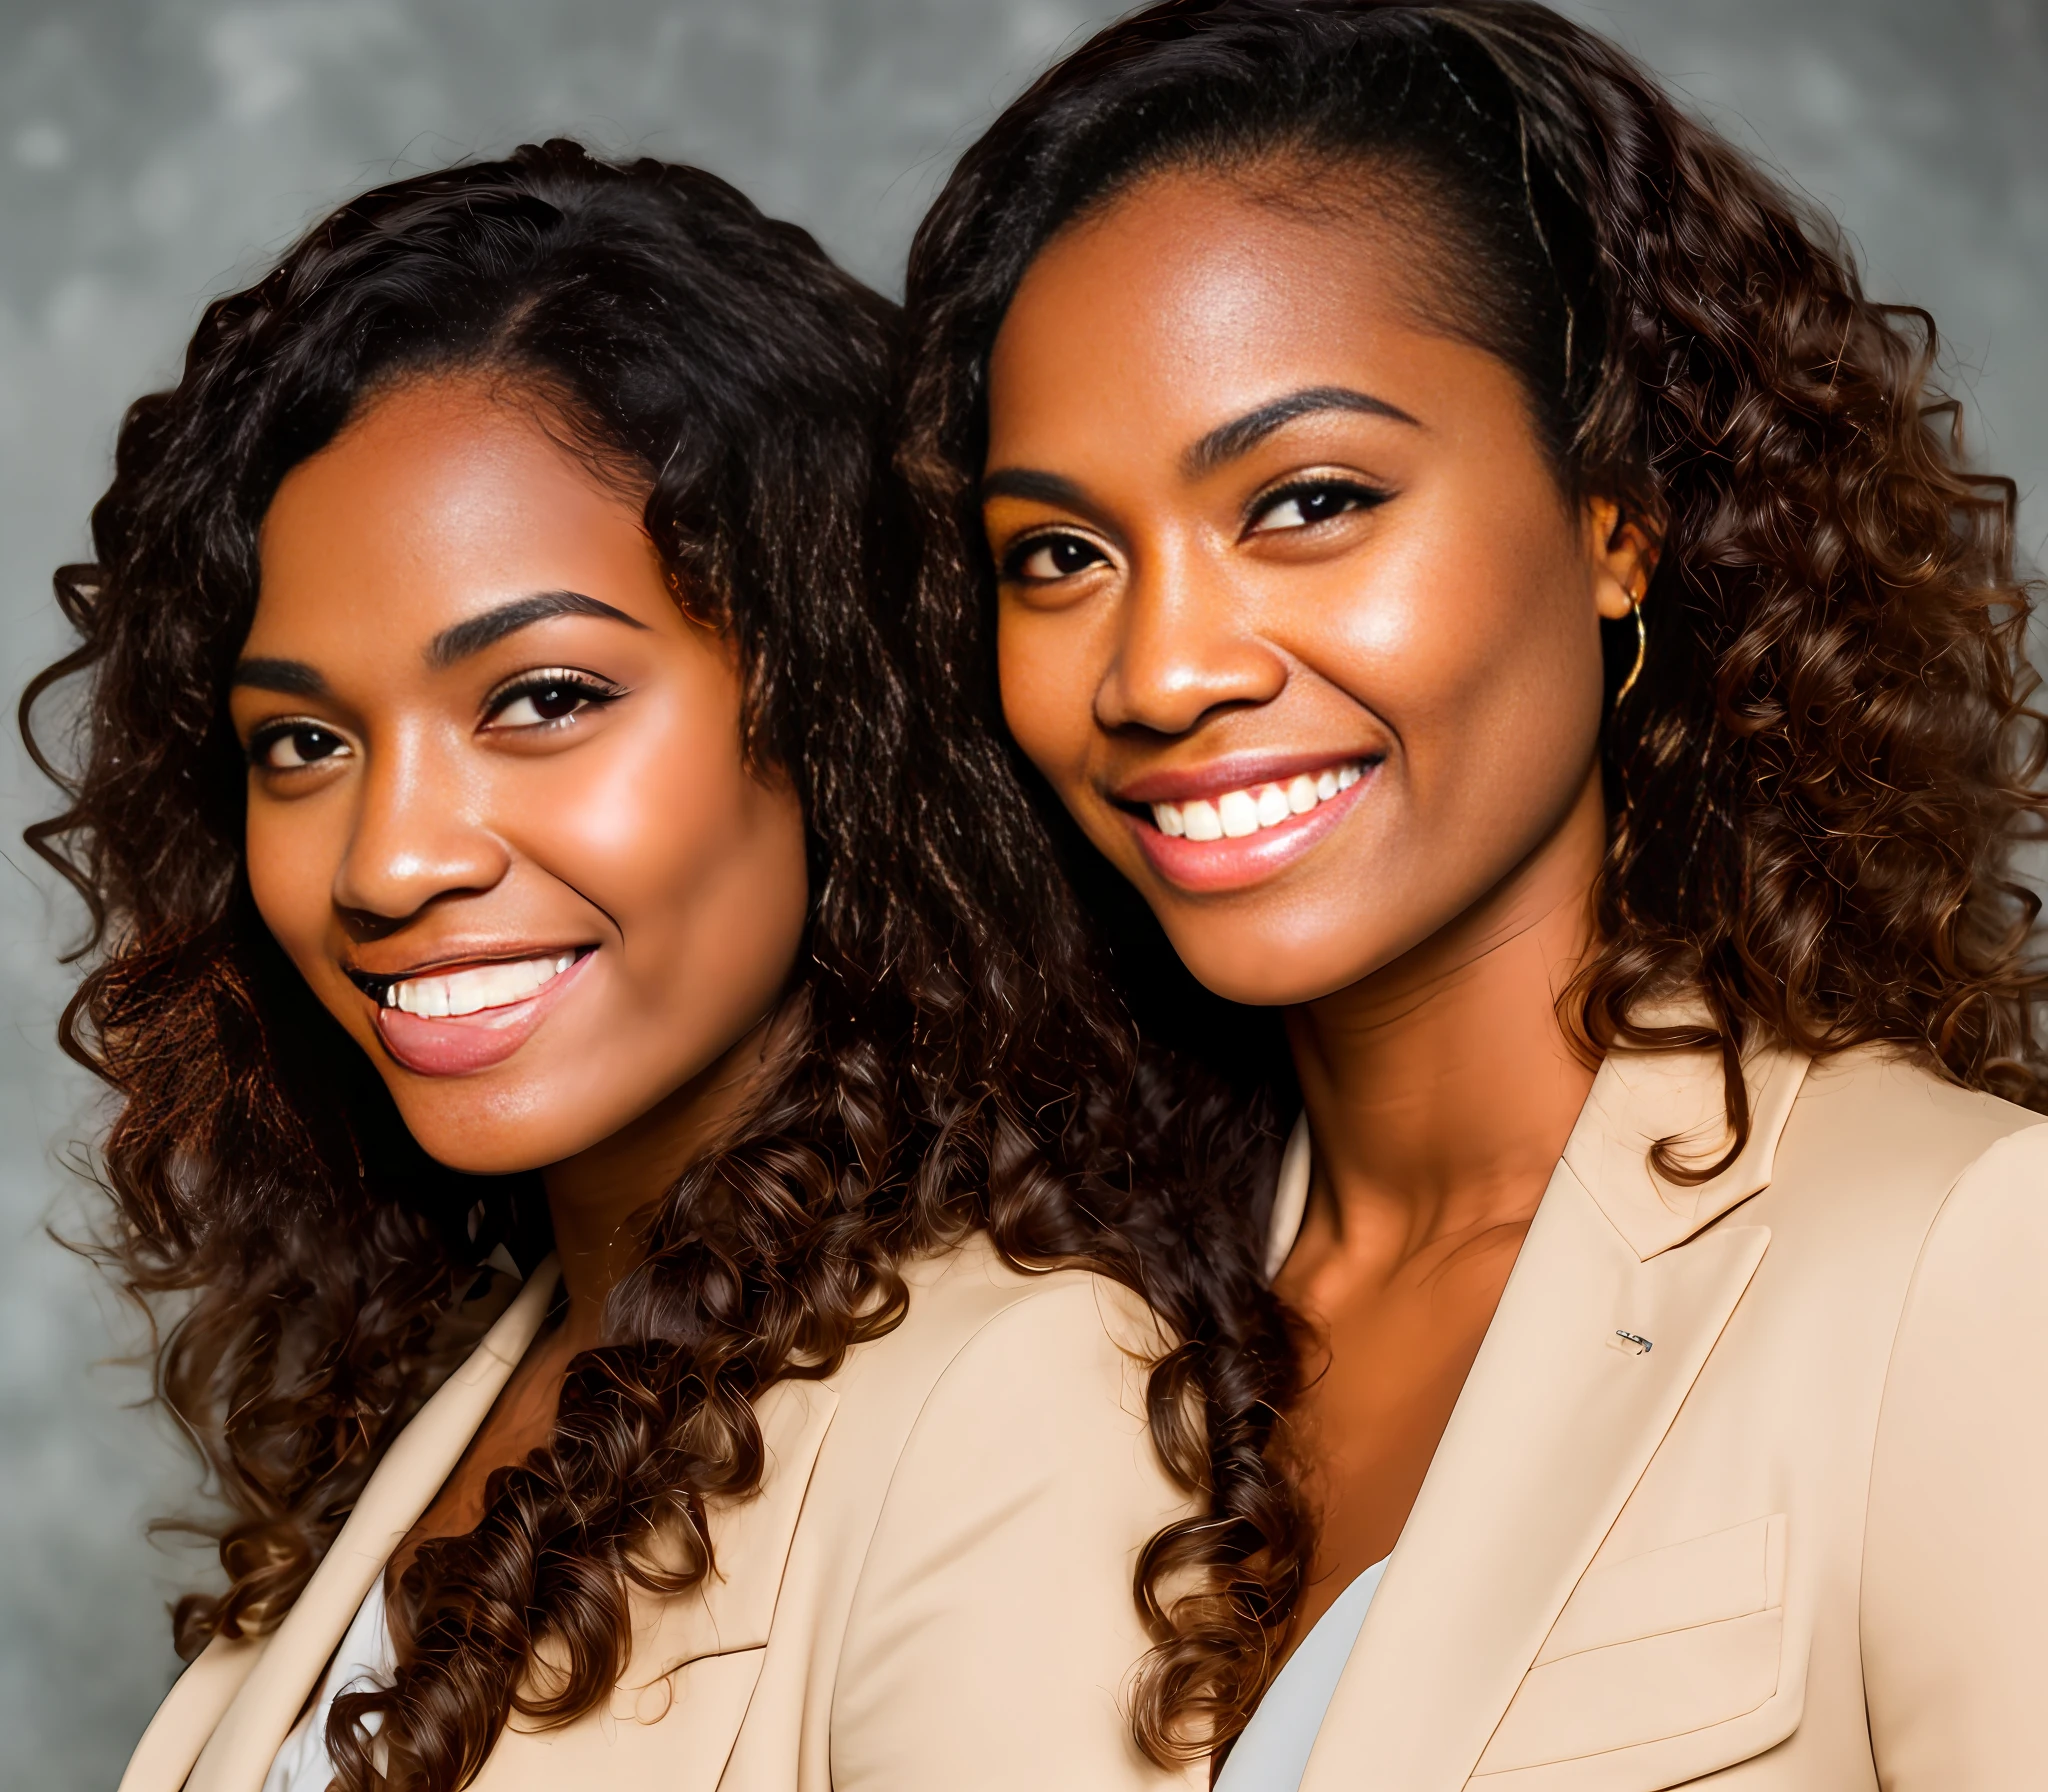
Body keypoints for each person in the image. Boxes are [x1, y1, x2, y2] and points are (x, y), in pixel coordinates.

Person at [26, 141, 1295, 1792]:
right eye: (305, 740)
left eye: (545, 696)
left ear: (844, 725)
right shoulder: (484, 1365)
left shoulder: (1012, 1407)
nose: (392, 857)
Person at [895, 2, 2048, 1784]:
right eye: (1061, 553)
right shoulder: (1050, 1322)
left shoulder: (1958, 1258)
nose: (1160, 670)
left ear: (1617, 515)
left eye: (1309, 500)